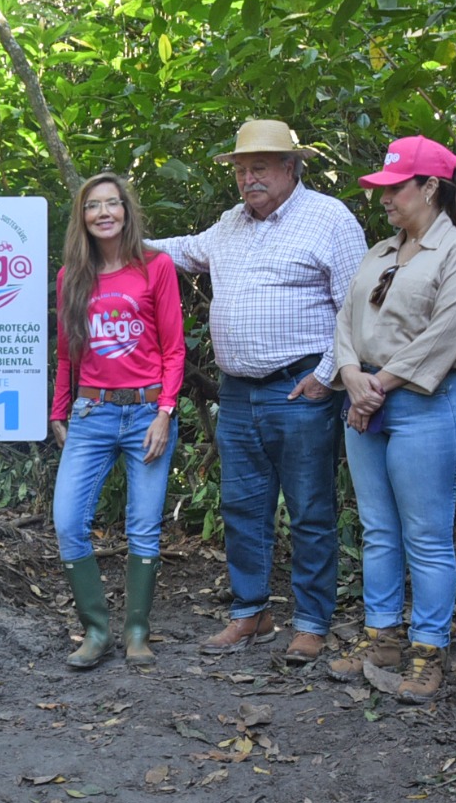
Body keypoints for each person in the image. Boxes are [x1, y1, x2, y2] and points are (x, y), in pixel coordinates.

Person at [149, 121, 367, 665]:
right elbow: (183, 250)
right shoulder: (231, 223)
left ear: (291, 167)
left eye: (260, 167)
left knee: (310, 509)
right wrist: (118, 240)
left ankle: (311, 622)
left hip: (300, 389)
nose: (249, 178)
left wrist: (327, 375)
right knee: (241, 507)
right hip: (238, 393)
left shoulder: (330, 219)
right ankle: (251, 611)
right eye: (242, 170)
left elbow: (358, 308)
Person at [325, 136, 456, 703]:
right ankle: (382, 640)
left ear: (430, 187)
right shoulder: (380, 251)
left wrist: (377, 386)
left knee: (426, 535)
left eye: (395, 188)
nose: (384, 198)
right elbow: (345, 320)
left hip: (426, 403)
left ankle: (428, 650)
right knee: (377, 529)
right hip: (366, 399)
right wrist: (352, 375)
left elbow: (446, 334)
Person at [50, 173, 186, 670]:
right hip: (91, 413)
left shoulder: (155, 266)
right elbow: (67, 354)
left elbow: (174, 349)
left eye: (112, 203)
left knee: (144, 525)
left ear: (127, 211)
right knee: (68, 521)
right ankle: (96, 629)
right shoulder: (72, 276)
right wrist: (58, 410)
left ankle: (136, 631)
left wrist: (165, 412)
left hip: (147, 412)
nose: (103, 213)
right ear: (82, 217)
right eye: (93, 206)